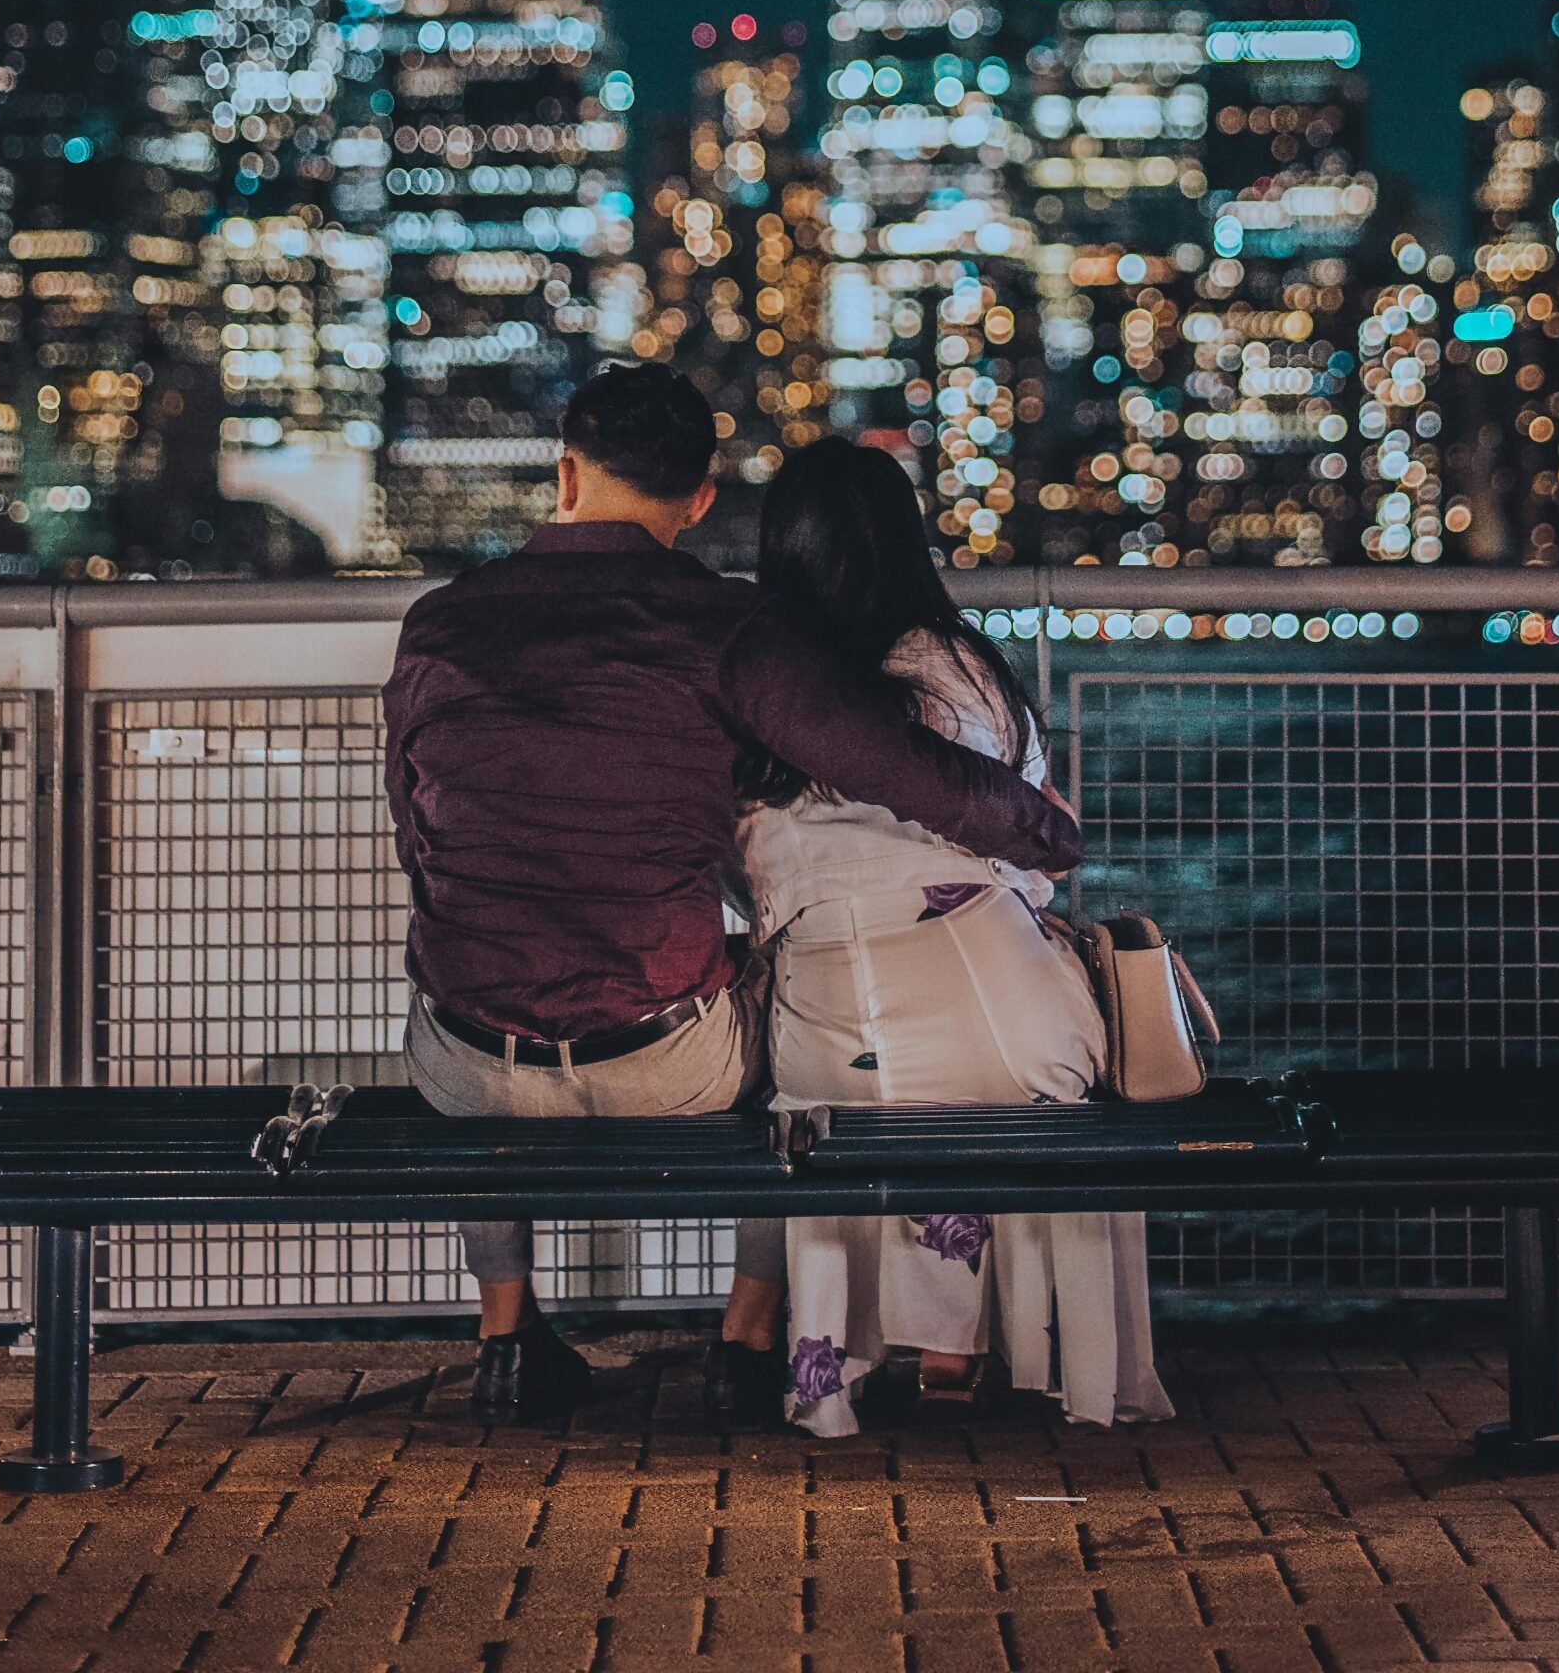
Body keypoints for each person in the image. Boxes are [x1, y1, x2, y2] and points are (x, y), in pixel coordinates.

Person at [382, 361, 1082, 1427]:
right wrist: (1044, 829)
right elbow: (896, 767)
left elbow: (416, 830)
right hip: (660, 1061)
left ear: (563, 475)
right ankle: (745, 1342)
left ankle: (508, 1337)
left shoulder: (437, 626)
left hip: (466, 1061)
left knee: (480, 980)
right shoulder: (724, 629)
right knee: (795, 1054)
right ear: (700, 501)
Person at [737, 438, 1172, 1437]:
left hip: (826, 1009)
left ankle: (831, 1376)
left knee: (837, 1101)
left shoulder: (760, 693)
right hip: (996, 1000)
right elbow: (1033, 852)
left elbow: (746, 876)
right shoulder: (958, 665)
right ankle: (963, 1356)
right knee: (1014, 1084)